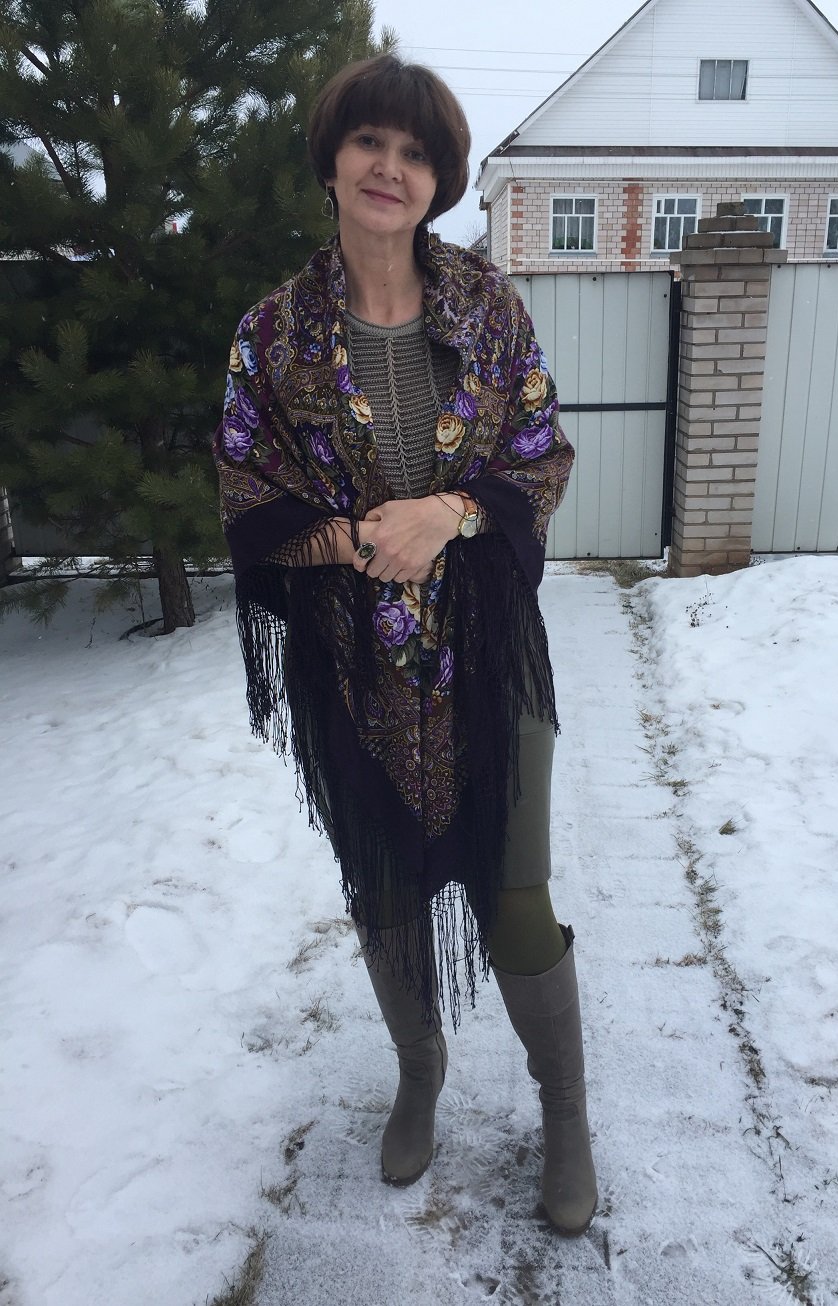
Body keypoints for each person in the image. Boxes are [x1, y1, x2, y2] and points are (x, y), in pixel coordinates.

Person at [213, 54, 597, 1237]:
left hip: (488, 653)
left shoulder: (487, 308)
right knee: (382, 891)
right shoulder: (271, 337)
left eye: (417, 153)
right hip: (352, 665)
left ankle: (566, 1113)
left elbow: (539, 453)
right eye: (370, 142)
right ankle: (417, 1072)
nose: (391, 168)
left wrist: (449, 514)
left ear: (439, 181)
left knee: (515, 894)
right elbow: (246, 493)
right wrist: (352, 542)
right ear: (331, 159)